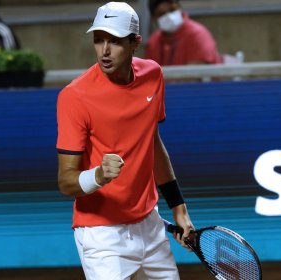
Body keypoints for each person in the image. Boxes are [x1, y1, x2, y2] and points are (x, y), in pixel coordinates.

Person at [56, 2, 195, 279]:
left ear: (135, 43)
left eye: (115, 41)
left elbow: (152, 144)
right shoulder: (75, 96)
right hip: (102, 235)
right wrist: (98, 175)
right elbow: (66, 182)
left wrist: (179, 208)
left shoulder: (153, 75)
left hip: (151, 226)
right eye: (98, 40)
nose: (104, 51)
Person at [146, 0, 222, 66]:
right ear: (153, 18)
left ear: (179, 8)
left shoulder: (197, 35)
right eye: (162, 14)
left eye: (172, 10)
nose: (169, 16)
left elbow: (195, 75)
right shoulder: (154, 42)